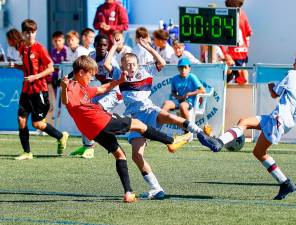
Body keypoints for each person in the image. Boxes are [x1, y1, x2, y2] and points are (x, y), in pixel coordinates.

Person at [199, 50, 296, 200]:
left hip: (278, 119)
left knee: (257, 147)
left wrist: (271, 87)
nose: (293, 63)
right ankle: (285, 183)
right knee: (249, 132)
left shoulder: (293, 74)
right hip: (284, 122)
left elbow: (275, 94)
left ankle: (219, 142)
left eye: (295, 61)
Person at [61, 55, 189, 203]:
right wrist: (64, 88)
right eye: (90, 74)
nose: (92, 77)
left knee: (120, 155)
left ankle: (128, 193)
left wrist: (119, 81)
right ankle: (170, 141)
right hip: (99, 120)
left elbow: (102, 88)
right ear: (81, 73)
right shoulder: (71, 86)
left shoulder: (83, 88)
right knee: (139, 125)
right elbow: (66, 101)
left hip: (91, 130)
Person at [104, 38, 220, 200]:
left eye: (133, 63)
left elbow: (161, 62)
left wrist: (148, 47)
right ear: (122, 65)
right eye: (127, 64)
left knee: (170, 117)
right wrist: (115, 46)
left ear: (138, 64)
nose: (130, 66)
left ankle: (200, 134)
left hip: (150, 111)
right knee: (136, 156)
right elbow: (107, 65)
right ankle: (156, 188)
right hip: (136, 119)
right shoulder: (120, 75)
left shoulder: (145, 71)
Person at [11, 19, 69, 160]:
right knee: (21, 119)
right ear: (23, 33)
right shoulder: (23, 48)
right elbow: (27, 67)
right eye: (27, 32)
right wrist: (16, 66)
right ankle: (27, 152)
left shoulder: (40, 48)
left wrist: (35, 77)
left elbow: (50, 68)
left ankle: (61, 136)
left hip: (39, 91)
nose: (30, 35)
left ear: (35, 32)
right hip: (26, 90)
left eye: (33, 32)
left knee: (37, 124)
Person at [69, 34, 121, 159]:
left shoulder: (111, 61)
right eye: (99, 44)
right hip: (101, 90)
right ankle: (86, 145)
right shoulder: (91, 55)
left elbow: (112, 83)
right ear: (94, 45)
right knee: (83, 110)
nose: (102, 47)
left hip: (114, 92)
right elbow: (79, 67)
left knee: (95, 110)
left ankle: (92, 147)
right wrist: (68, 77)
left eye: (105, 45)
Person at [221, 0, 252, 84]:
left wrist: (246, 47)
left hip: (242, 54)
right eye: (232, 4)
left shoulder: (243, 15)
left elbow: (248, 33)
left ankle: (246, 94)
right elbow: (221, 38)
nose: (234, 6)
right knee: (230, 76)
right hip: (231, 55)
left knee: (244, 78)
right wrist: (226, 54)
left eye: (236, 4)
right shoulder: (226, 16)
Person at [47, 31, 67, 125]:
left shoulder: (66, 51)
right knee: (56, 98)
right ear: (52, 42)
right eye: (55, 41)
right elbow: (51, 66)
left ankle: (63, 115)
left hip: (64, 79)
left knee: (64, 98)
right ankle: (57, 116)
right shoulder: (52, 52)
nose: (57, 42)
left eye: (59, 40)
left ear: (63, 41)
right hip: (55, 79)